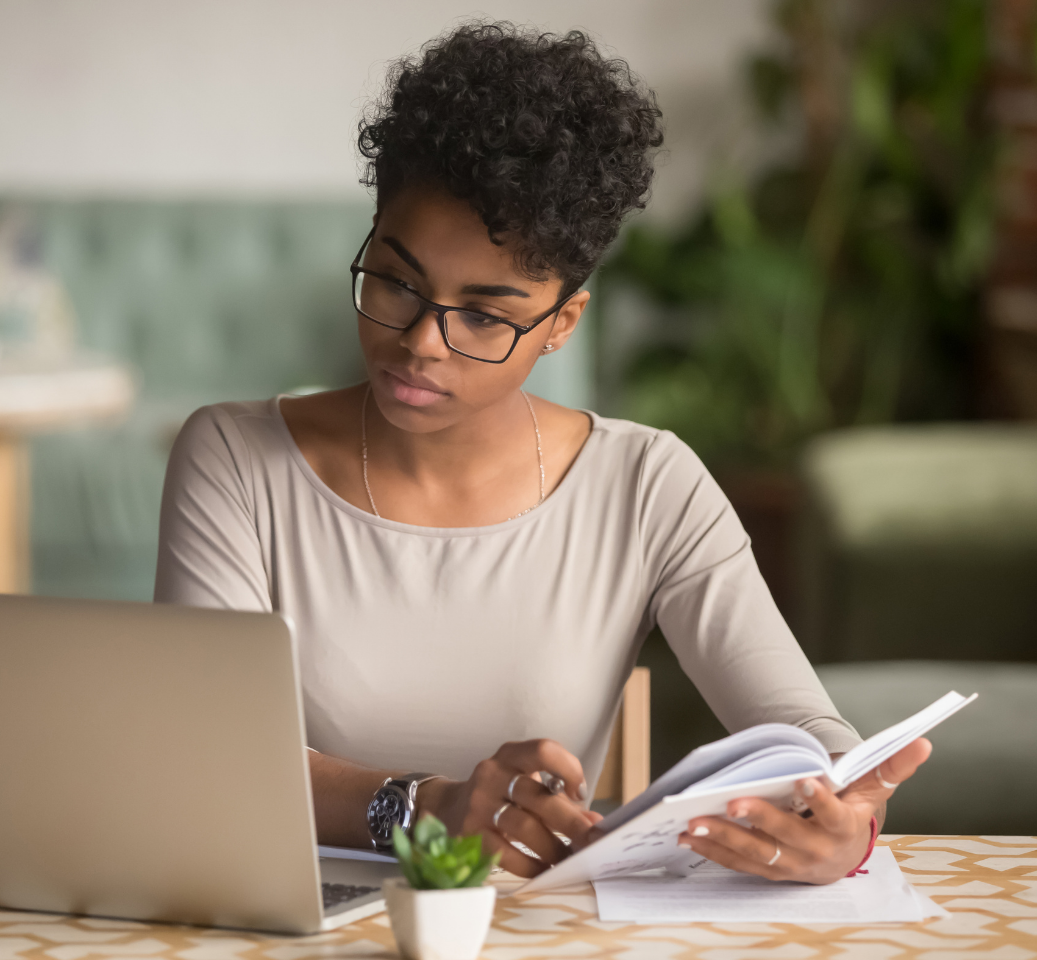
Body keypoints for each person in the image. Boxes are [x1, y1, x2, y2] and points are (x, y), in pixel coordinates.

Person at [155, 22, 930, 883]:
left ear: (562, 323)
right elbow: (201, 751)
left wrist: (846, 819)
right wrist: (424, 809)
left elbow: (801, 725)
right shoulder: (232, 458)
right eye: (395, 280)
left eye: (484, 314)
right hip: (290, 924)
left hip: (538, 929)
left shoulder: (647, 484)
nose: (421, 342)